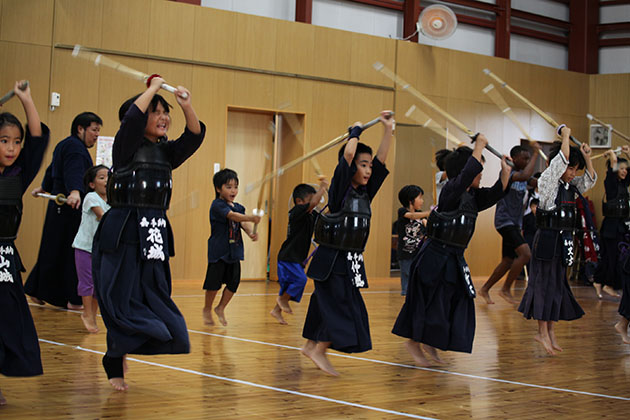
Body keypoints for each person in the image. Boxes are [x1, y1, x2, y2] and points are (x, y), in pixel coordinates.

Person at [93, 76, 205, 391]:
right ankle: (114, 357)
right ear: (140, 117)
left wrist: (186, 105)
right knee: (122, 297)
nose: (163, 117)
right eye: (155, 112)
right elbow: (130, 121)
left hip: (153, 233)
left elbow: (194, 137)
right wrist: (152, 89)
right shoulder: (126, 148)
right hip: (124, 230)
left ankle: (124, 346)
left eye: (165, 112)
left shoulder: (166, 152)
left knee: (153, 295)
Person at [392, 135, 511, 365]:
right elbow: (468, 173)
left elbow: (497, 192)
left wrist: (504, 172)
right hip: (434, 257)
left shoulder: (473, 197)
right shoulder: (450, 192)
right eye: (479, 171)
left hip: (454, 258)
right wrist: (478, 146)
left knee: (453, 302)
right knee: (429, 302)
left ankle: (431, 343)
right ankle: (413, 342)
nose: (480, 174)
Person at [301, 111, 394, 376]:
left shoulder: (366, 192)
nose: (367, 170)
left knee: (324, 304)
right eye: (363, 165)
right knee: (344, 307)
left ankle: (311, 346)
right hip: (332, 260)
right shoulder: (341, 188)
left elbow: (382, 160)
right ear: (352, 167)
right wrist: (355, 132)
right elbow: (349, 156)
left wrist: (388, 129)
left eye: (369, 166)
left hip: (350, 260)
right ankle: (320, 349)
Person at [517, 126, 596, 356]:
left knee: (557, 285)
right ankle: (541, 331)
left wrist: (588, 159)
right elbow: (559, 162)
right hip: (547, 239)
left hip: (564, 241)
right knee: (542, 285)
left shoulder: (570, 187)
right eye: (571, 168)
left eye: (575, 169)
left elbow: (589, 181)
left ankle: (551, 331)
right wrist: (565, 136)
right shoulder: (548, 183)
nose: (573, 173)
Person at [0, 81, 49, 405]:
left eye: (15, 142)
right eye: (4, 140)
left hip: (4, 256)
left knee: (8, 318)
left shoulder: (17, 176)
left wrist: (27, 99)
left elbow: (37, 139)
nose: (12, 147)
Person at [25, 111, 103, 309]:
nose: (96, 135)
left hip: (59, 206)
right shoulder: (76, 149)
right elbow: (73, 171)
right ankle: (74, 299)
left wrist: (44, 187)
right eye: (94, 130)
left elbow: (53, 170)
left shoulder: (64, 144)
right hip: (70, 207)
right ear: (80, 129)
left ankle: (36, 290)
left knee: (52, 249)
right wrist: (75, 191)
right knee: (72, 254)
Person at [480, 143, 540, 304]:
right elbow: (526, 176)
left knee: (507, 260)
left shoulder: (524, 176)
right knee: (526, 254)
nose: (527, 161)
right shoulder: (508, 172)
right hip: (504, 221)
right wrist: (535, 153)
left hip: (515, 223)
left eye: (529, 159)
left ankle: (485, 289)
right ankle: (505, 289)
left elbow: (536, 181)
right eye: (525, 158)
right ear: (514, 159)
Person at [202, 168, 260, 327]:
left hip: (234, 251)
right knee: (214, 284)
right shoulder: (217, 205)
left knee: (234, 282)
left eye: (235, 186)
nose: (233, 190)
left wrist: (250, 233)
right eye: (228, 187)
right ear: (218, 189)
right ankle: (207, 309)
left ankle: (220, 308)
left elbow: (242, 222)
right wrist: (251, 217)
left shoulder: (238, 207)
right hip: (219, 250)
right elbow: (233, 216)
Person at [270, 178, 328, 325]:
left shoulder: (310, 215)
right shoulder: (296, 212)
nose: (313, 203)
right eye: (310, 200)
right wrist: (322, 188)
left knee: (289, 286)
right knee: (300, 280)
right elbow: (314, 203)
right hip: (289, 256)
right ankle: (282, 300)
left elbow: (324, 214)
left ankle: (276, 310)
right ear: (299, 201)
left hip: (295, 258)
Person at [72, 165, 109, 333]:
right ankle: (87, 314)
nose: (106, 180)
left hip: (101, 250)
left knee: (97, 285)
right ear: (92, 184)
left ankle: (92, 315)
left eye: (108, 177)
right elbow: (101, 215)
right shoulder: (91, 197)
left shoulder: (114, 201)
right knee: (87, 283)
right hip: (84, 248)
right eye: (101, 177)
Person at [592, 146, 630, 298]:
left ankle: (598, 281)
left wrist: (627, 153)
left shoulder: (623, 184)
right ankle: (608, 284)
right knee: (613, 256)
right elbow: (613, 164)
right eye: (621, 169)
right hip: (611, 227)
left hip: (619, 226)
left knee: (608, 256)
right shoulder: (611, 183)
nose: (624, 171)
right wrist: (613, 155)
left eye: (626, 169)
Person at [396, 185, 429, 296]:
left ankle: (412, 295)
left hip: (418, 253)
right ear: (410, 201)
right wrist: (429, 213)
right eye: (419, 198)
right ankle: (406, 294)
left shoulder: (421, 215)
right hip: (405, 253)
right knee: (407, 274)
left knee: (416, 275)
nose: (422, 201)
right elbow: (412, 216)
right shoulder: (402, 212)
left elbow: (426, 226)